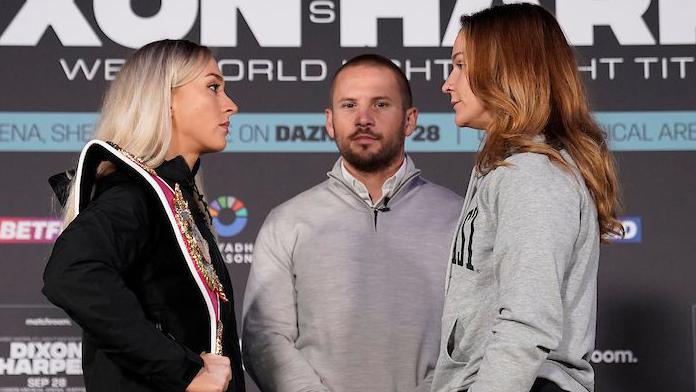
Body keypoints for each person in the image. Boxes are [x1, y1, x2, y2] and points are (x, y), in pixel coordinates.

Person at [432, 4, 624, 392]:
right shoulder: (511, 167)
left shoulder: (532, 175)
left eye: (460, 65)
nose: (447, 84)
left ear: (507, 70)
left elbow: (527, 323)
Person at [242, 54, 463, 392]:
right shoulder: (287, 222)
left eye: (380, 104)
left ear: (410, 120)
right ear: (330, 121)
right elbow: (264, 337)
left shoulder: (459, 217)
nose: (363, 119)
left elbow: (473, 337)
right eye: (349, 105)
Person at [42, 39, 245, 392]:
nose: (231, 105)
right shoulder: (133, 196)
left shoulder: (176, 198)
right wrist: (184, 370)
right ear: (164, 98)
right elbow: (70, 274)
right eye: (213, 87)